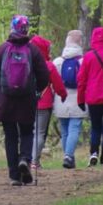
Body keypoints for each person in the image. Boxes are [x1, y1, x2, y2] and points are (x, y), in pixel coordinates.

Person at [0, 15, 49, 186]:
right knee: (27, 131)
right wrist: (37, 89)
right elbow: (44, 75)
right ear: (26, 29)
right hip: (26, 100)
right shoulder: (33, 50)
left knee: (10, 135)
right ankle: (25, 159)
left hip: (5, 100)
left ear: (12, 28)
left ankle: (14, 175)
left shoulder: (2, 49)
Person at [76, 26, 103, 166]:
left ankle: (93, 153)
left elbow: (81, 80)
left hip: (93, 97)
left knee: (96, 127)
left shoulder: (88, 57)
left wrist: (80, 99)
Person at [28, 35, 67, 169]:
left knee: (28, 132)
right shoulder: (49, 65)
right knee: (39, 133)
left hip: (25, 102)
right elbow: (58, 84)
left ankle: (27, 159)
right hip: (43, 103)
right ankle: (34, 161)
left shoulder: (25, 63)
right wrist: (63, 94)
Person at [52, 30, 87, 169]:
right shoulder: (83, 61)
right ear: (80, 43)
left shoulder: (58, 61)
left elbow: (53, 82)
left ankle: (67, 156)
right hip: (79, 98)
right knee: (74, 128)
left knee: (65, 129)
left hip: (61, 99)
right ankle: (68, 156)